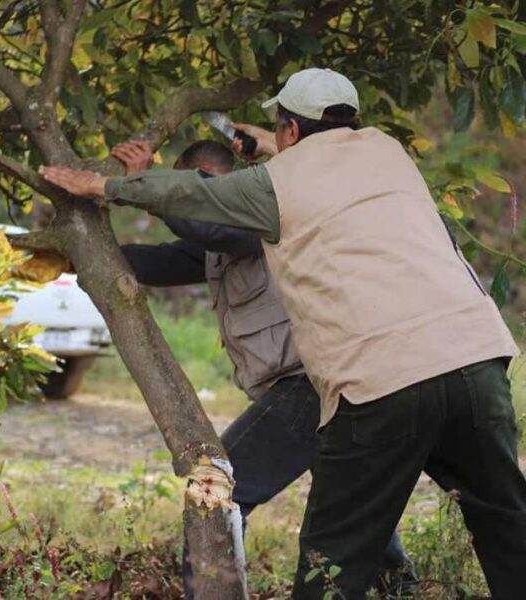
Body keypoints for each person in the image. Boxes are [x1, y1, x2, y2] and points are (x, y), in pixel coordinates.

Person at [38, 68, 526, 599]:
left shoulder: (272, 187)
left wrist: (104, 186)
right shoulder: (387, 152)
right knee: (506, 525)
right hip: (477, 358)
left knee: (330, 561)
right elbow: (305, 166)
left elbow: (194, 200)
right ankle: (401, 586)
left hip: (379, 379)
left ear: (291, 131)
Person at [110, 138, 414, 597]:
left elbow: (210, 228)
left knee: (215, 490)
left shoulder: (257, 222)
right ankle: (404, 587)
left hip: (308, 386)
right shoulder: (218, 241)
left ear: (209, 183)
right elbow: (166, 259)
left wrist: (144, 184)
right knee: (347, 506)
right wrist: (83, 254)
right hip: (316, 388)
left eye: (183, 187)